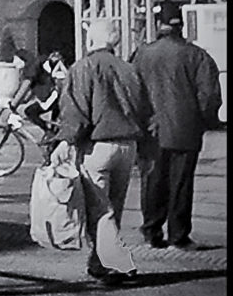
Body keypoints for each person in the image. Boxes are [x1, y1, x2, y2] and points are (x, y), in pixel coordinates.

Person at [54, 17, 153, 286]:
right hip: (127, 147)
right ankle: (99, 264)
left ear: (91, 39)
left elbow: (76, 111)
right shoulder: (129, 69)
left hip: (97, 148)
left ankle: (119, 262)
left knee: (100, 209)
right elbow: (145, 109)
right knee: (113, 208)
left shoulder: (83, 68)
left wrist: (65, 140)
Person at [130, 1, 222, 250]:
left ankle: (151, 231)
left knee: (153, 181)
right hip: (185, 130)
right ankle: (178, 235)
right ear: (180, 24)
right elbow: (209, 95)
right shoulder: (197, 55)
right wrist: (205, 122)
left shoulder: (141, 54)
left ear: (158, 25)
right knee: (181, 184)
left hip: (151, 132)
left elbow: (131, 91)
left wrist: (141, 122)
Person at [9, 49, 66, 133]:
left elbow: (25, 88)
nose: (14, 63)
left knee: (30, 112)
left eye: (16, 60)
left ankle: (48, 132)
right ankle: (51, 134)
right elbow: (31, 90)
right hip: (49, 96)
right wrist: (24, 101)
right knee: (31, 112)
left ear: (23, 59)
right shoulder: (31, 68)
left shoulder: (30, 70)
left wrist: (13, 104)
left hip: (50, 96)